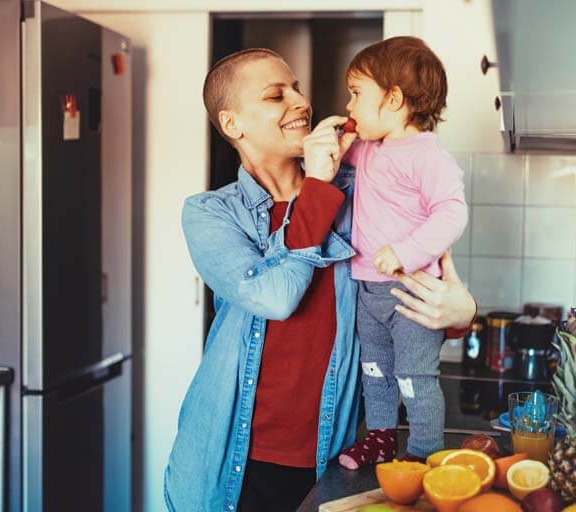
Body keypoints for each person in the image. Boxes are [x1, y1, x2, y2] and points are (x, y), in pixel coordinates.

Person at [163, 47, 476, 512]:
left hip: (332, 455)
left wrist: (461, 315)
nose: (301, 102)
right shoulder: (211, 213)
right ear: (233, 125)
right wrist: (317, 189)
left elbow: (410, 286)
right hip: (232, 458)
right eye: (276, 96)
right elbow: (275, 296)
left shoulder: (361, 192)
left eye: (298, 89)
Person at [336, 37, 468, 470]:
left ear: (393, 99)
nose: (350, 105)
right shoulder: (369, 147)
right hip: (368, 291)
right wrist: (330, 144)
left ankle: (424, 452)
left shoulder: (427, 154)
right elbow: (334, 155)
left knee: (415, 377)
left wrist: (407, 252)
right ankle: (379, 439)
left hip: (412, 293)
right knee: (375, 372)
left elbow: (452, 213)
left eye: (357, 94)